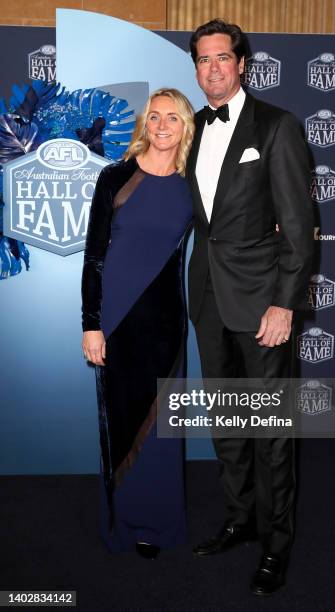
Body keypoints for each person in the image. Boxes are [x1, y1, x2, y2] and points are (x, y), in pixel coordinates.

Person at [186, 19, 314, 595]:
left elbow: (301, 229)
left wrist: (284, 305)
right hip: (208, 300)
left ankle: (276, 543)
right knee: (229, 423)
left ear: (242, 64)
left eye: (222, 58)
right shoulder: (190, 127)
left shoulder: (277, 125)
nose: (212, 68)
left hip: (263, 303)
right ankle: (239, 518)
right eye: (203, 60)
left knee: (270, 429)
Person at [81, 88, 194, 559]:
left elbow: (231, 228)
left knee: (162, 426)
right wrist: (91, 323)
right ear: (144, 125)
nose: (163, 125)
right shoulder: (115, 178)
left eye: (173, 117)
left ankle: (158, 522)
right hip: (115, 319)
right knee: (122, 422)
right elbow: (94, 258)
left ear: (186, 126)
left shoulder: (195, 186)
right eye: (154, 117)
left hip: (166, 321)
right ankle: (124, 519)